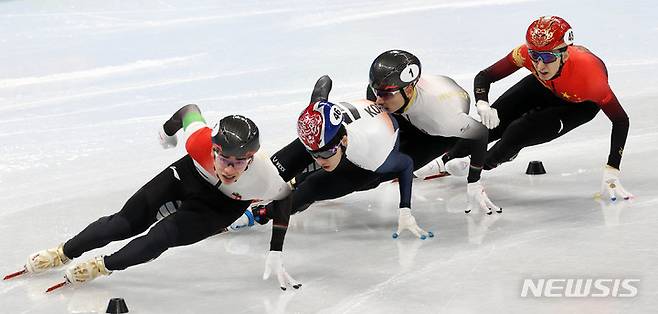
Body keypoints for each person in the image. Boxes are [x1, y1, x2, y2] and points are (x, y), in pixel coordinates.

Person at [9, 104, 300, 290]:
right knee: (124, 223)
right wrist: (167, 131)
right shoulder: (200, 142)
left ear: (250, 159)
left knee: (160, 237)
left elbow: (284, 197)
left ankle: (102, 266)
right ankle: (63, 252)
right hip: (189, 174)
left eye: (237, 162)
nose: (227, 167)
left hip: (222, 206)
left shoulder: (264, 178)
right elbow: (189, 110)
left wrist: (276, 250)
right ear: (213, 147)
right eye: (222, 157)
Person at [446, 15, 632, 201]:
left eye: (548, 57)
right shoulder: (525, 55)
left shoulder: (592, 78)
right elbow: (484, 76)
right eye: (535, 56)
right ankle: (446, 159)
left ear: (565, 54)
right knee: (494, 121)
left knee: (519, 130)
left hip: (579, 104)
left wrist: (612, 169)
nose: (540, 64)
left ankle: (478, 164)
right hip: (544, 86)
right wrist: (482, 103)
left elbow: (620, 120)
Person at [250, 75, 432, 247]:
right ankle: (300, 174)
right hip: (351, 131)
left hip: (376, 147)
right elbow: (323, 84)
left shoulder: (374, 156)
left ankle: (260, 214)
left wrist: (405, 210)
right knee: (280, 167)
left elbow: (406, 164)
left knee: (313, 187)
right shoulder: (319, 119)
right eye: (314, 154)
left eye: (325, 154)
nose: (320, 160)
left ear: (343, 142)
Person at [366, 49, 501, 214]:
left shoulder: (442, 118)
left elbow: (480, 133)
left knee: (377, 173)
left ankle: (445, 158)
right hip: (426, 100)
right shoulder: (387, 89)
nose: (378, 100)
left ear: (408, 90)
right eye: (377, 92)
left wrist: (474, 181)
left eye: (386, 94)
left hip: (439, 130)